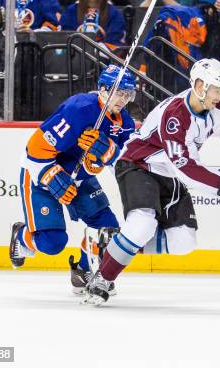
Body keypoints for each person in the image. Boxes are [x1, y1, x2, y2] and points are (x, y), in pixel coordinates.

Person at [83, 58, 220, 305]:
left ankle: (112, 243)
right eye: (217, 90)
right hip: (139, 166)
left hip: (168, 173)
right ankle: (102, 279)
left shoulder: (219, 107)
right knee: (143, 224)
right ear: (200, 86)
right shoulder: (175, 116)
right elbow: (187, 168)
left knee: (183, 241)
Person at [9, 64, 136, 295]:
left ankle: (82, 270)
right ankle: (22, 236)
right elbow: (35, 149)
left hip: (81, 180)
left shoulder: (124, 124)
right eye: (119, 92)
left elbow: (126, 164)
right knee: (52, 243)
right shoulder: (79, 109)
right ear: (103, 89)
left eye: (128, 94)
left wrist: (108, 152)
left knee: (108, 230)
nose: (123, 99)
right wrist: (51, 176)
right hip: (40, 174)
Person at [60, 0, 126, 50]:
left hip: (103, 57)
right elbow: (65, 36)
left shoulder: (114, 13)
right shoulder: (71, 11)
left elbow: (115, 41)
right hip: (75, 55)